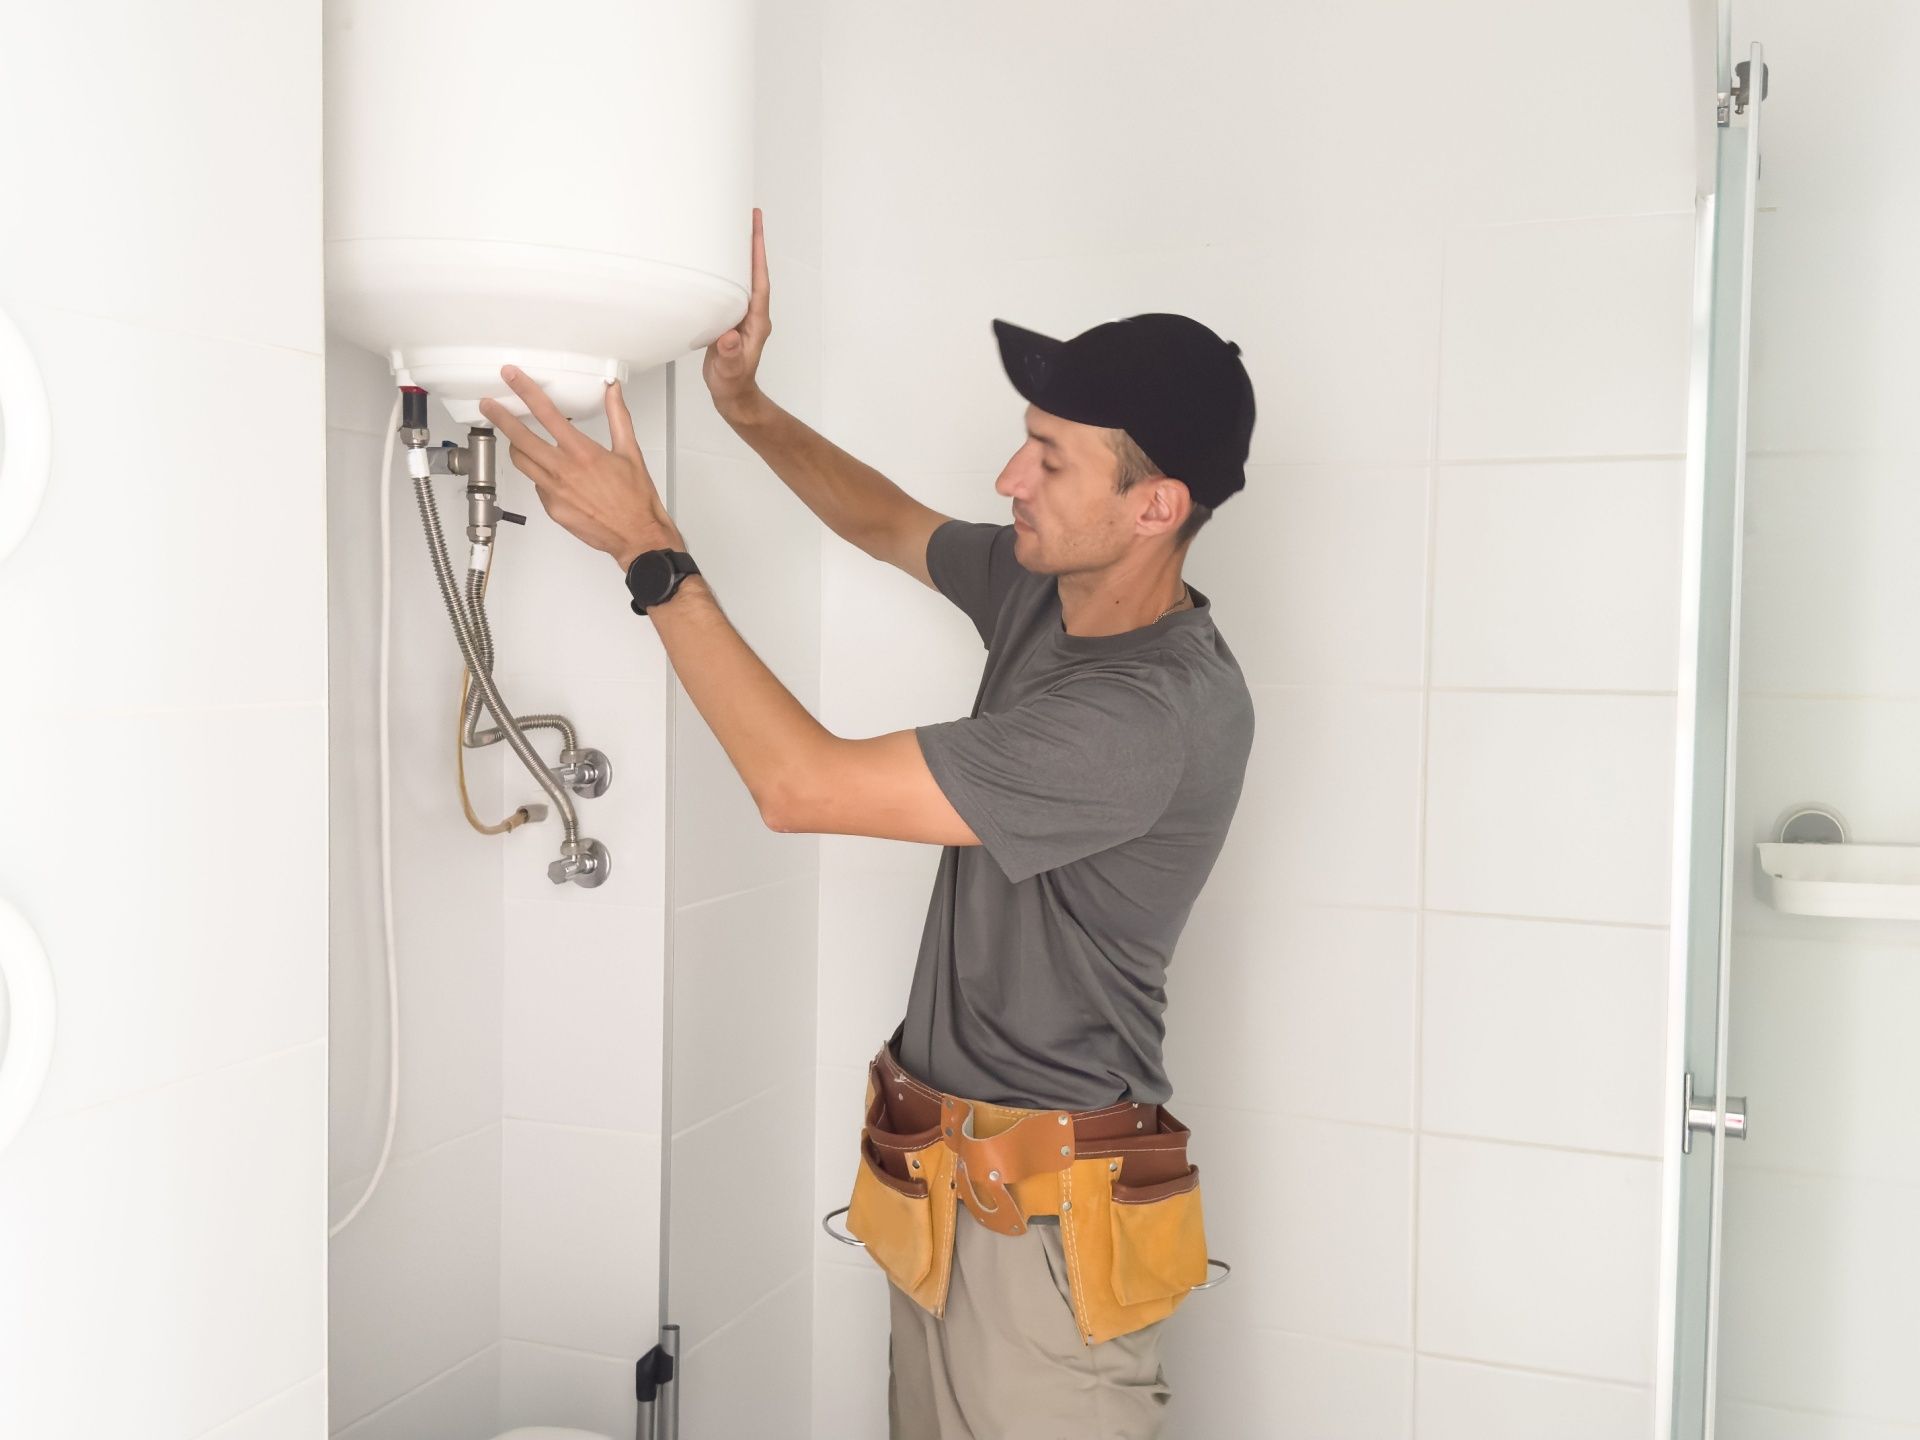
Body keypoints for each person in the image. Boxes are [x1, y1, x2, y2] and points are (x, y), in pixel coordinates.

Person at [478, 209, 1256, 1440]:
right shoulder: (1050, 592)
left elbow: (801, 787)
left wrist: (652, 554)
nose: (1010, 481)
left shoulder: (1141, 718)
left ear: (1155, 506)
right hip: (949, 1189)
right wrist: (746, 408)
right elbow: (886, 521)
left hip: (1048, 1245)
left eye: (1050, 460)